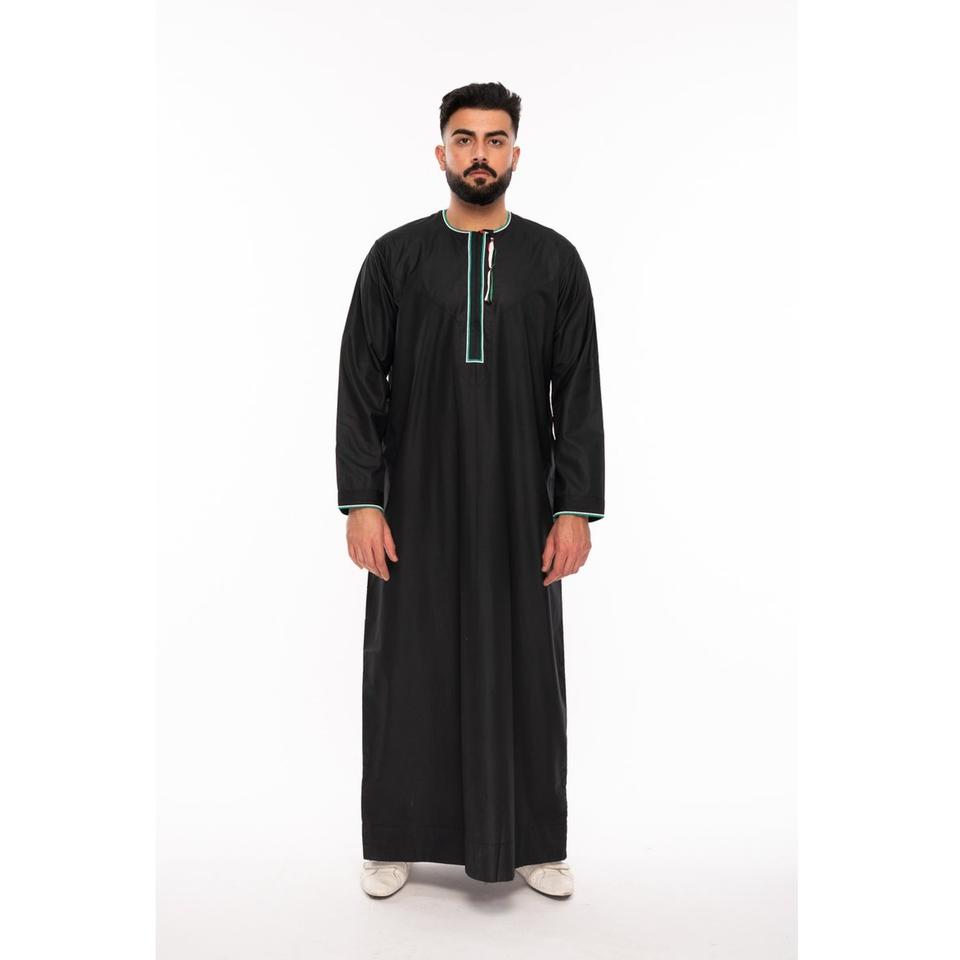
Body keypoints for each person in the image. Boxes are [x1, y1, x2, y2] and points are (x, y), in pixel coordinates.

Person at [335, 82, 605, 899]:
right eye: (464, 139)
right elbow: (360, 385)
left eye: (493, 140)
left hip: (522, 505)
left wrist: (573, 508)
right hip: (414, 505)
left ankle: (532, 840)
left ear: (515, 153)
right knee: (405, 663)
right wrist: (363, 500)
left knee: (527, 667)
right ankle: (395, 837)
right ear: (441, 152)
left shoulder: (554, 261)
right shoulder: (395, 258)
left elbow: (578, 392)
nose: (478, 154)